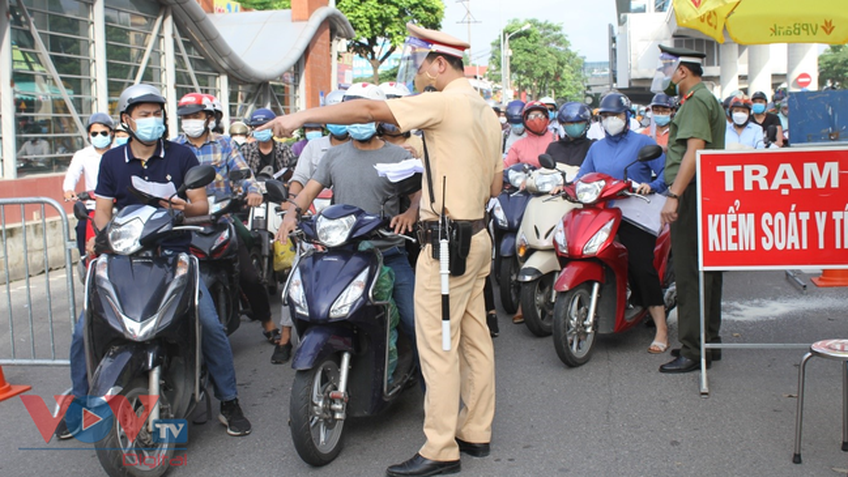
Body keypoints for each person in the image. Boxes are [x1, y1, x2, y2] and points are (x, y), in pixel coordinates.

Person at [260, 22, 501, 477]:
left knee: (438, 346)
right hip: (478, 236)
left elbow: (372, 108)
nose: (418, 70)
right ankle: (476, 431)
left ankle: (440, 448)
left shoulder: (444, 102)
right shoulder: (485, 112)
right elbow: (494, 184)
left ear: (440, 63)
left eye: (420, 62)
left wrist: (300, 117)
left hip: (446, 243)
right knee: (474, 341)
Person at [58, 84, 251, 439]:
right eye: (144, 114)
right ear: (126, 120)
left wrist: (182, 207)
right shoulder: (112, 160)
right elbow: (102, 212)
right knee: (83, 329)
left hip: (173, 254)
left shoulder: (180, 156)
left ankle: (229, 400)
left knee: (208, 323)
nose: (152, 120)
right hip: (125, 258)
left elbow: (200, 205)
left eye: (157, 114)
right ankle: (81, 402)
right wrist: (105, 239)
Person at [276, 82, 420, 378]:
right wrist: (291, 214)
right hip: (343, 256)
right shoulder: (332, 156)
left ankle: (429, 393)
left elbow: (419, 193)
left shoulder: (400, 156)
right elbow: (307, 192)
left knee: (414, 322)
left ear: (378, 117)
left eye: (363, 111)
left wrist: (411, 211)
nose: (356, 120)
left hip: (387, 253)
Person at [172, 92, 285, 361]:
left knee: (249, 276)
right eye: (186, 117)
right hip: (185, 224)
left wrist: (253, 190)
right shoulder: (175, 148)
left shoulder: (224, 144)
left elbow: (244, 174)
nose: (190, 121)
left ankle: (268, 322)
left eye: (196, 116)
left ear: (210, 118)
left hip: (221, 218)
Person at [576, 92, 670, 354]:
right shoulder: (596, 147)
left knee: (641, 265)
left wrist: (651, 186)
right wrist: (566, 186)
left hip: (635, 214)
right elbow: (582, 176)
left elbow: (665, 171)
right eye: (606, 116)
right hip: (602, 213)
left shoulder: (643, 142)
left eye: (616, 115)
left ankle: (661, 327)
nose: (611, 120)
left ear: (627, 117)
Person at [655, 45, 726, 374]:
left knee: (690, 272)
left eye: (669, 67)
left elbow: (694, 151)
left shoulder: (695, 101)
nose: (667, 74)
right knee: (706, 270)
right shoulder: (701, 99)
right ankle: (709, 341)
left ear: (683, 71)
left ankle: (694, 350)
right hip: (703, 192)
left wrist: (674, 194)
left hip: (693, 194)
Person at [63, 112, 114, 257]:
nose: (99, 136)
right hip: (94, 207)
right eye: (95, 133)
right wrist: (68, 189)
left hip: (119, 207)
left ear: (111, 133)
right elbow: (72, 174)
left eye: (104, 133)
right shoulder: (82, 155)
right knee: (82, 228)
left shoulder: (119, 152)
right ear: (89, 135)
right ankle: (85, 261)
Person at [241, 108, 297, 179]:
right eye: (257, 127)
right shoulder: (246, 150)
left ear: (273, 127)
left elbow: (294, 172)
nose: (261, 129)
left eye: (265, 126)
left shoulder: (284, 149)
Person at [504, 101, 556, 169]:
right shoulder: (517, 146)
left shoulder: (557, 140)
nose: (537, 119)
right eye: (531, 117)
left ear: (547, 118)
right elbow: (506, 168)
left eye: (540, 116)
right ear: (525, 120)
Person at [379, 81, 424, 158]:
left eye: (398, 109)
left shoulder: (420, 144)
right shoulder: (370, 144)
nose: (392, 115)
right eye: (387, 109)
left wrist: (415, 162)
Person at [545, 102, 595, 167]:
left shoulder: (592, 147)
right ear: (563, 124)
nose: (575, 126)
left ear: (587, 123)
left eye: (579, 122)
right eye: (570, 123)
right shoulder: (554, 148)